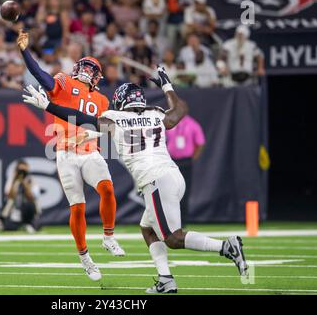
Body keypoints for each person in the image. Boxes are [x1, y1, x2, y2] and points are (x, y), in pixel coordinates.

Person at [21, 65, 248, 294]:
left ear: (122, 102)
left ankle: (225, 247)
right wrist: (167, 85)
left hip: (155, 180)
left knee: (172, 238)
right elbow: (180, 109)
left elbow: (81, 119)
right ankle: (165, 279)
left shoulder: (116, 118)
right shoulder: (156, 113)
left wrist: (48, 106)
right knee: (147, 229)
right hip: (173, 177)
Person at [17, 30, 125, 282]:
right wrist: (25, 51)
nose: (87, 70)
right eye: (85, 65)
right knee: (77, 207)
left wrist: (88, 136)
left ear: (98, 76)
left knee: (108, 189)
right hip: (65, 152)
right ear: (77, 67)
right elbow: (41, 77)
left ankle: (108, 236)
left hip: (89, 152)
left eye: (92, 67)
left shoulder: (101, 99)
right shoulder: (64, 81)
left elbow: (107, 129)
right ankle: (85, 258)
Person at [166, 115, 205, 225]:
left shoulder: (192, 124)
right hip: (171, 161)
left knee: (184, 190)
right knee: (169, 190)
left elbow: (200, 143)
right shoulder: (170, 122)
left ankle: (182, 220)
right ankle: (170, 219)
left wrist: (193, 158)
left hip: (186, 162)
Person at [0, 159, 42, 233]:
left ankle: (30, 223)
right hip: (16, 209)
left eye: (24, 170)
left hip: (29, 209)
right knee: (9, 201)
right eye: (20, 170)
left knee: (34, 203)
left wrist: (25, 184)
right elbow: (9, 196)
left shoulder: (32, 180)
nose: (22, 173)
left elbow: (32, 198)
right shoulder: (12, 180)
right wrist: (15, 181)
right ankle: (2, 219)